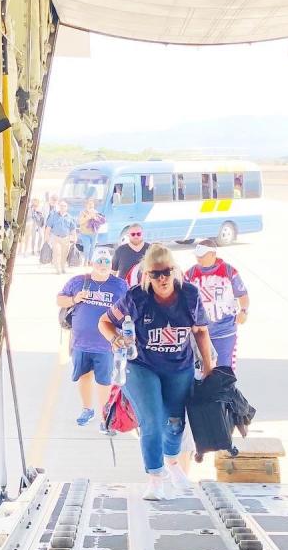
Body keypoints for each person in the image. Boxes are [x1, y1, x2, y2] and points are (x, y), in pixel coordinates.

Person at [98, 244, 214, 501]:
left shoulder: (190, 296)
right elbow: (104, 322)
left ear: (174, 271)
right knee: (151, 420)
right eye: (155, 274)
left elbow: (201, 332)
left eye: (166, 272)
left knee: (174, 424)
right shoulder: (136, 297)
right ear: (146, 275)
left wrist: (209, 368)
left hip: (179, 367)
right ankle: (155, 477)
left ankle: (173, 464)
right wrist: (116, 339)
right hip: (142, 366)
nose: (162, 279)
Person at [56, 248, 128, 431]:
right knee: (84, 377)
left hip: (106, 344)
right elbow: (59, 300)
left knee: (104, 381)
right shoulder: (78, 281)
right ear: (92, 263)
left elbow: (130, 308)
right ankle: (87, 409)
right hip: (81, 342)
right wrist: (74, 298)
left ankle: (105, 416)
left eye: (106, 262)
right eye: (99, 262)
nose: (103, 266)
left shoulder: (120, 285)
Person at [184, 239, 249, 369]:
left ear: (213, 254)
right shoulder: (190, 274)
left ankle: (225, 389)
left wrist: (243, 311)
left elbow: (242, 295)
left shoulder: (229, 271)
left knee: (224, 369)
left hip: (225, 331)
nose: (199, 258)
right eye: (197, 255)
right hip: (199, 331)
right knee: (200, 369)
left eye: (202, 255)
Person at [44, 200, 77, 274]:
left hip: (66, 238)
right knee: (57, 253)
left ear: (67, 208)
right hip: (56, 238)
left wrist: (75, 237)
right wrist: (46, 237)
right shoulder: (53, 216)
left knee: (64, 254)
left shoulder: (70, 217)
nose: (62, 207)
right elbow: (48, 228)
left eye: (64, 206)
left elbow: (73, 229)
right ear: (59, 207)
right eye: (61, 206)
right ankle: (57, 268)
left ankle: (62, 267)